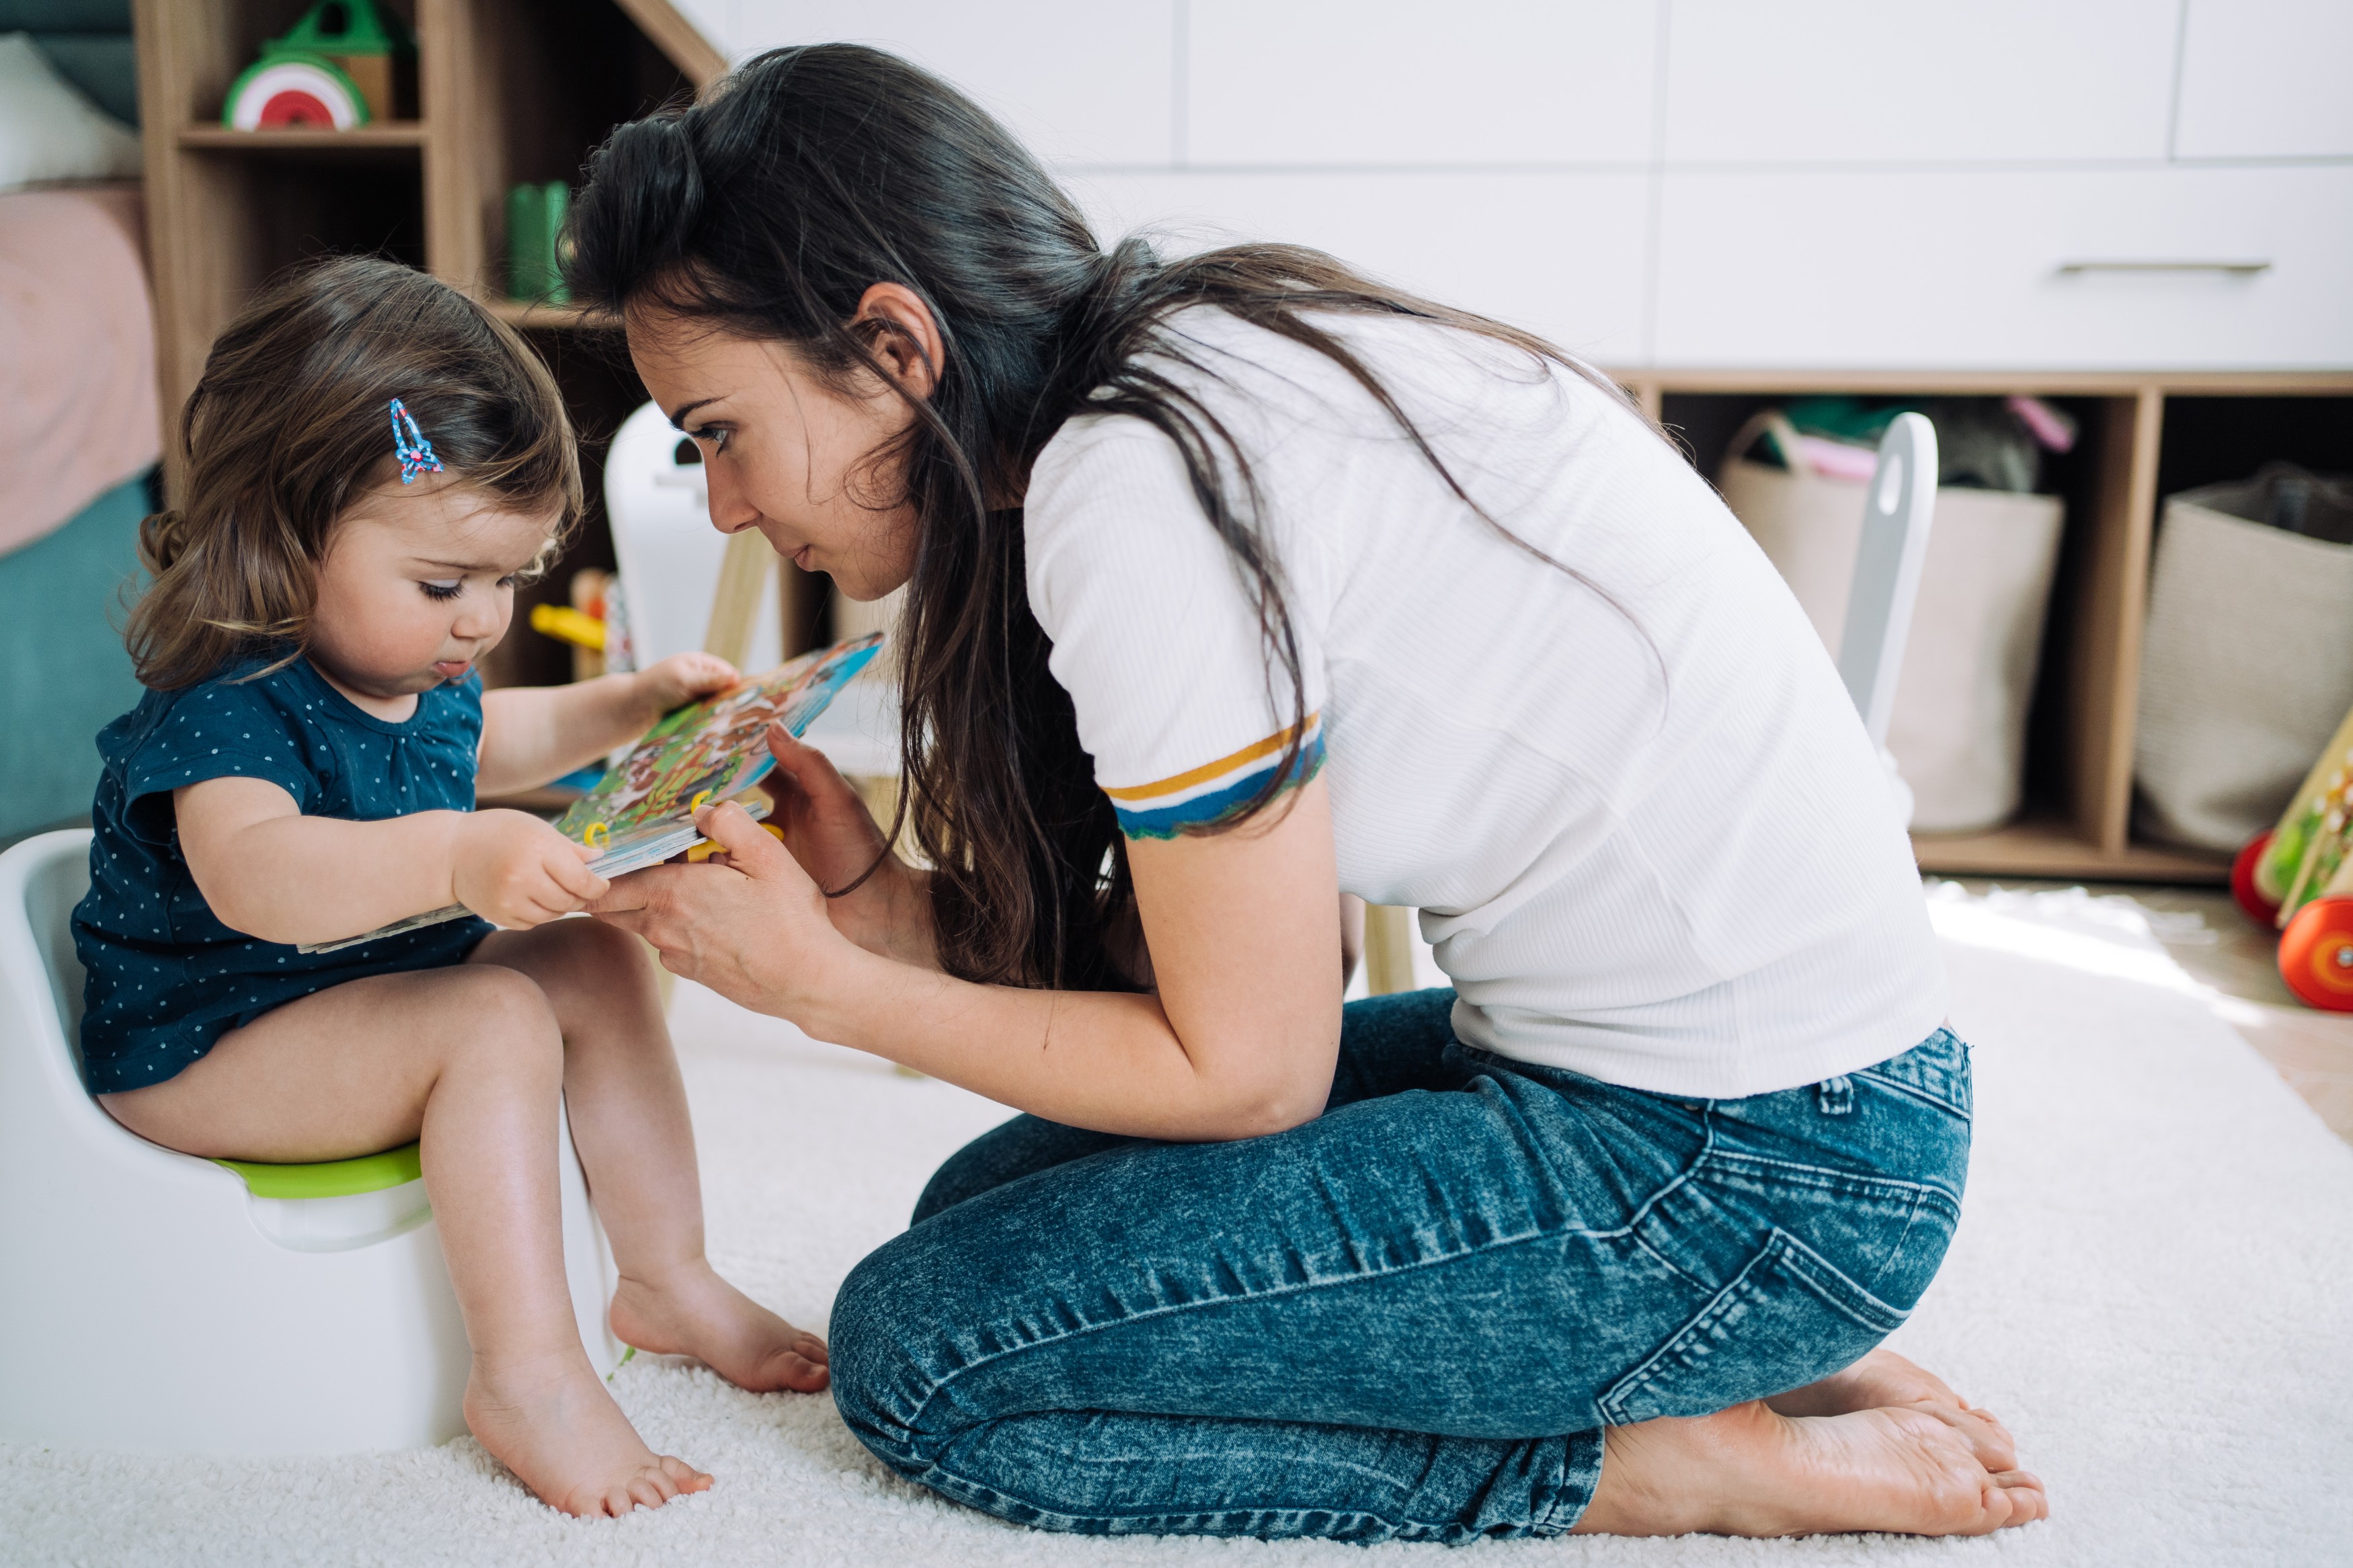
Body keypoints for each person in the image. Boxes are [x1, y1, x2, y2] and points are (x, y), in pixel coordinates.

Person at [572, 45, 2047, 1543]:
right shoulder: (1194, 361)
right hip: (1771, 1102)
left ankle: (1652, 1462)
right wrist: (874, 910)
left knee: (939, 1357)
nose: (729, 506)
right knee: (988, 1208)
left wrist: (823, 988)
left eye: (719, 432)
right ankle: (1699, 1337)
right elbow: (1271, 969)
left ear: (894, 345)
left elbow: (1250, 1073)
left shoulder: (1139, 489)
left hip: (1758, 1162)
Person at [74, 257, 829, 1519]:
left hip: (351, 1001)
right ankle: (528, 1373)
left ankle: (667, 1274)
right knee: (490, 1017)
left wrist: (626, 709)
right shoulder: (229, 711)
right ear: (284, 529)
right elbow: (259, 876)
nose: (482, 621)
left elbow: (486, 744)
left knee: (591, 959)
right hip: (208, 1041)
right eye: (445, 583)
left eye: (507, 581)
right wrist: (455, 855)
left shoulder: (414, 669)